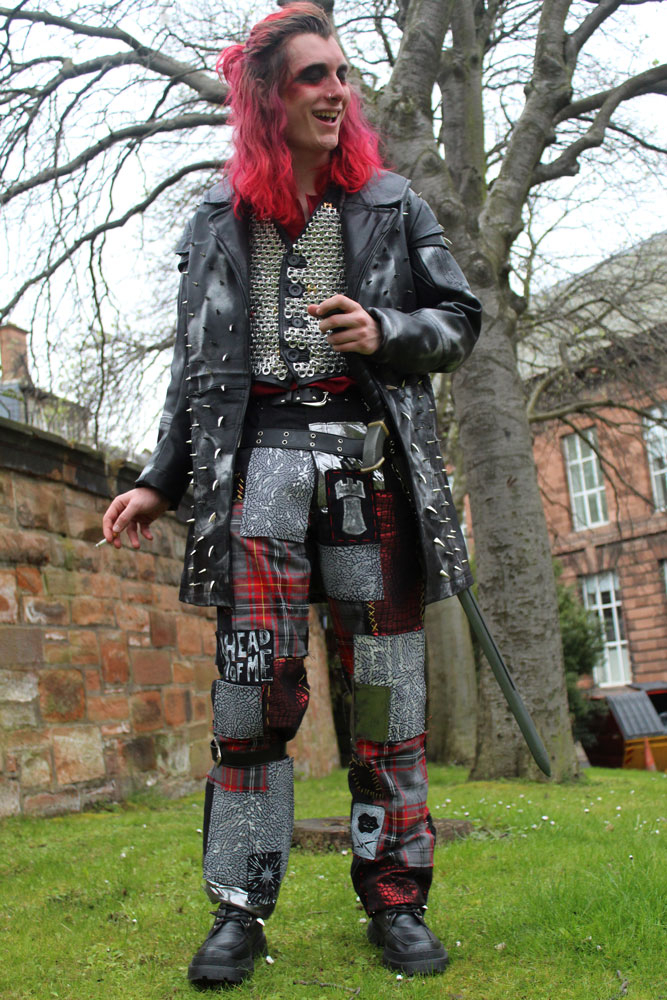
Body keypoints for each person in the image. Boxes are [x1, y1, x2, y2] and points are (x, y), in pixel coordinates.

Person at [102, 1, 482, 987]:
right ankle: (238, 909)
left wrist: (385, 329)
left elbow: (458, 320)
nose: (335, 91)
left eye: (342, 76)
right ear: (266, 96)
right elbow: (193, 375)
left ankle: (396, 902)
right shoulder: (216, 223)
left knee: (386, 698)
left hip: (369, 481)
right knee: (249, 701)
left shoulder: (393, 204)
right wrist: (156, 482)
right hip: (257, 484)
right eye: (312, 76)